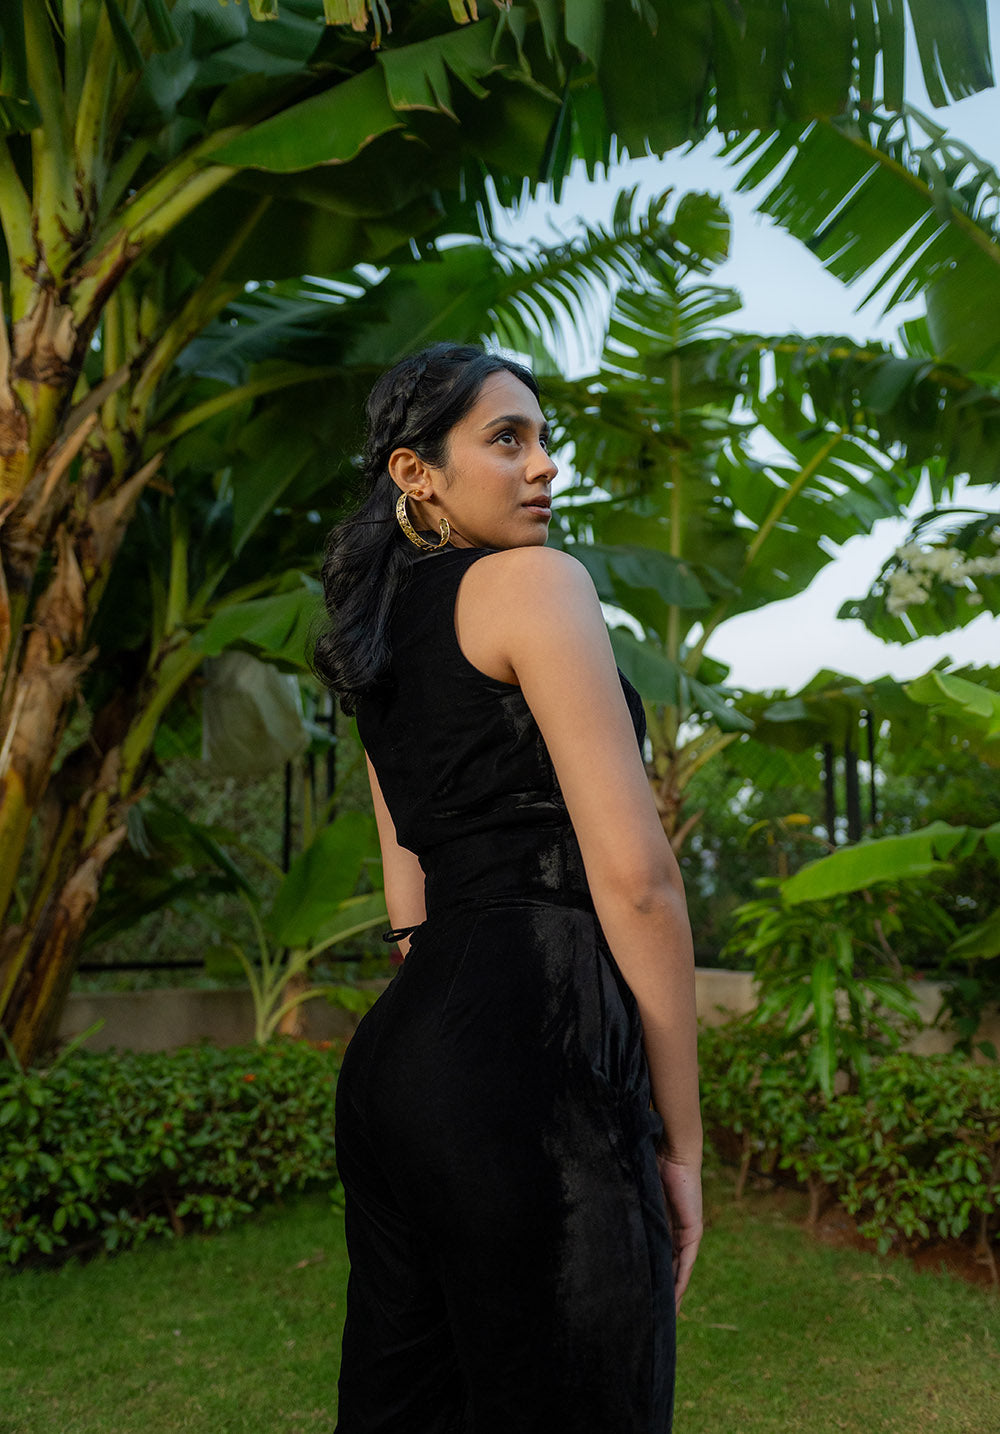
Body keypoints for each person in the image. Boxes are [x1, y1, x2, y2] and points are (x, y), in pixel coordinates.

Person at [314, 342, 702, 1434]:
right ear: (415, 473)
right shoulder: (533, 584)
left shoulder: (374, 636)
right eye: (505, 439)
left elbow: (408, 892)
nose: (543, 467)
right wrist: (681, 1143)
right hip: (538, 1061)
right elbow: (637, 885)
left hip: (402, 1065)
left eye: (541, 439)